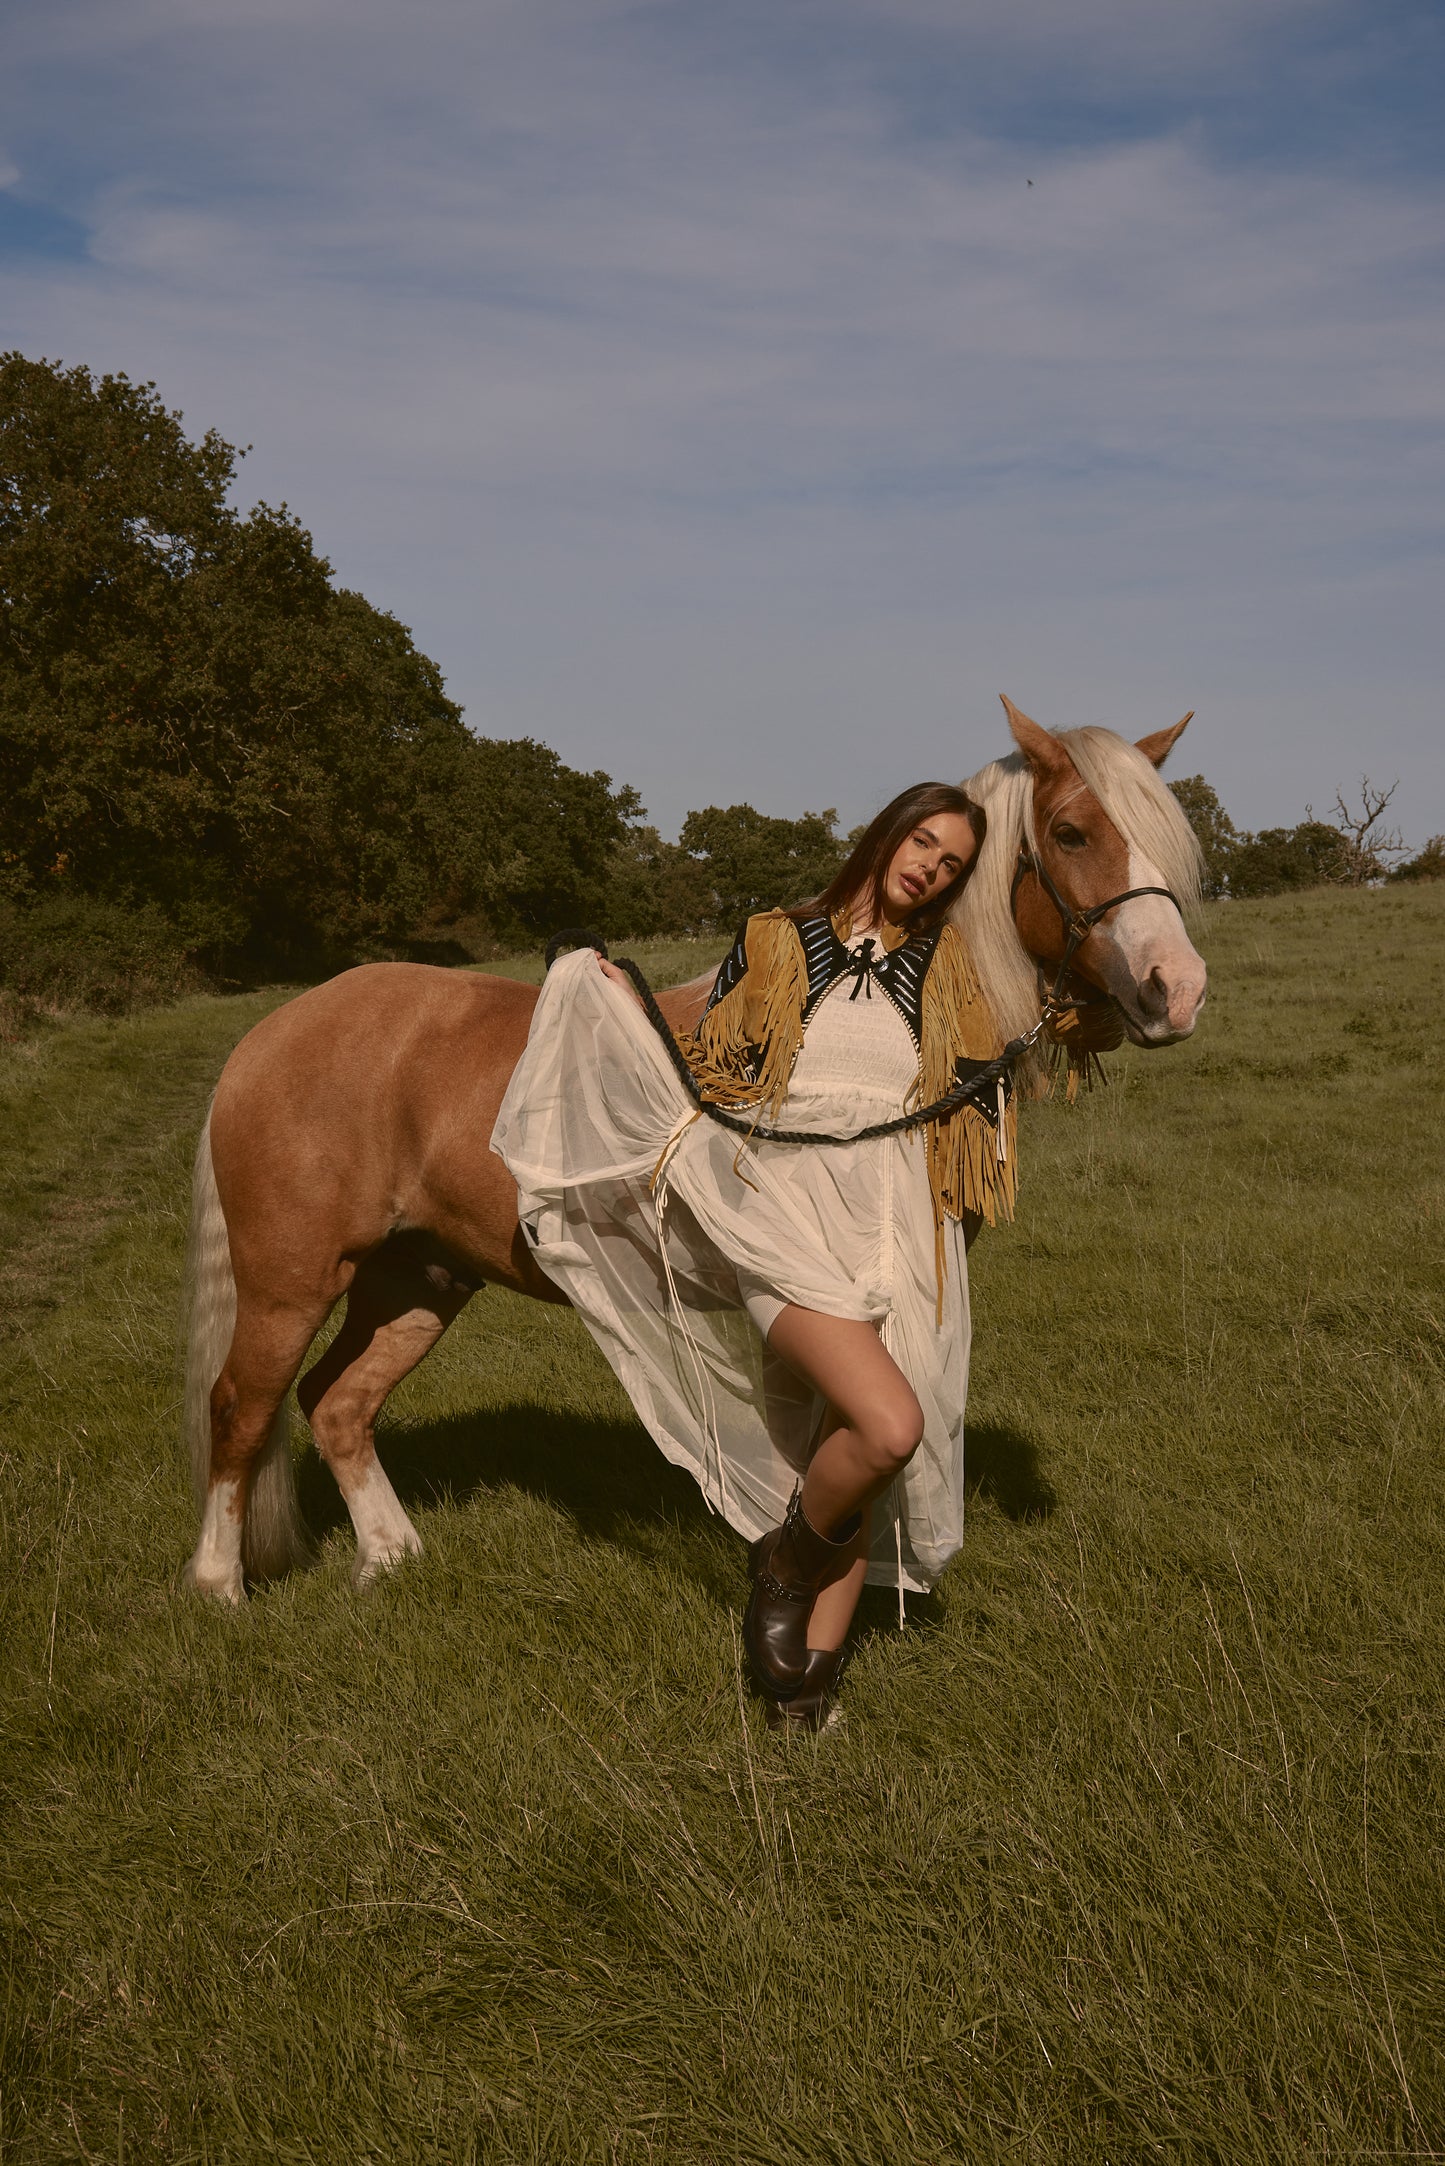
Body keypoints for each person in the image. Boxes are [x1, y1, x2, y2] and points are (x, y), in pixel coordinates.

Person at [491, 783, 1016, 1731]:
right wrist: (623, 1004)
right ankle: (782, 1565)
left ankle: (804, 1689)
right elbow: (716, 1066)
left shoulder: (946, 967)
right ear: (887, 831)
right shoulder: (776, 936)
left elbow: (966, 1097)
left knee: (854, 1453)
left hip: (893, 1228)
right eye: (922, 842)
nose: (929, 868)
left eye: (950, 864)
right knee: (888, 1425)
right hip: (786, 1219)